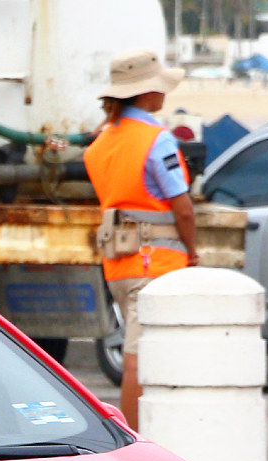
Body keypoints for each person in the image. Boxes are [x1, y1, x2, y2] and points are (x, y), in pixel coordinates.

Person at [83, 49, 201, 431]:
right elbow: (182, 208)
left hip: (119, 265)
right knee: (138, 359)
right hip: (155, 263)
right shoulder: (156, 140)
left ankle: (151, 430)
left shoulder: (99, 144)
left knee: (143, 355)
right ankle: (135, 441)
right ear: (148, 94)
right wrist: (194, 252)